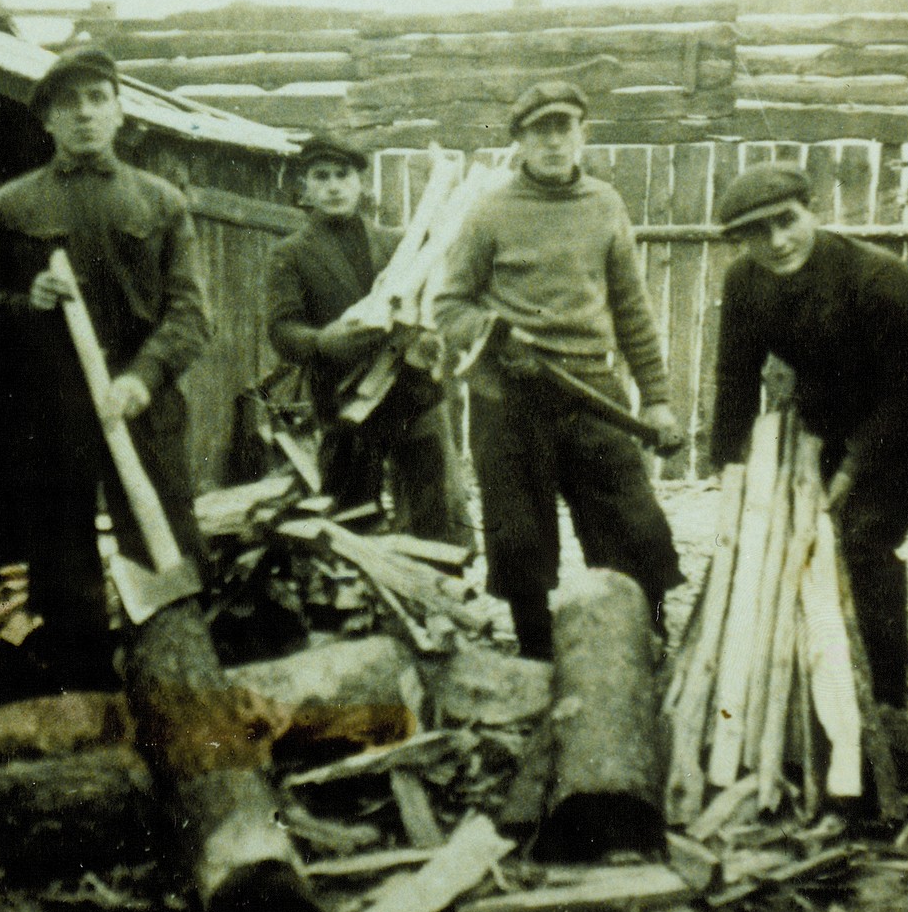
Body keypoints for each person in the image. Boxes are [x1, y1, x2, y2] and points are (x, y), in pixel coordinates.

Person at [0, 46, 210, 686]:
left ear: (121, 111)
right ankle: (88, 694)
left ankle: (170, 686)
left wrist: (142, 377)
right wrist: (25, 304)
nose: (85, 115)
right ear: (46, 122)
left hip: (141, 405)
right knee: (61, 559)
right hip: (52, 409)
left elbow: (190, 314)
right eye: (68, 105)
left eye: (98, 99)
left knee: (163, 544)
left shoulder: (161, 203)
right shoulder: (12, 207)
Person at [434, 81, 685, 659]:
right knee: (519, 532)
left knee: (632, 521)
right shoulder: (491, 210)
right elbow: (450, 304)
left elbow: (632, 309)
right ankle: (536, 649)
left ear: (582, 135)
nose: (552, 143)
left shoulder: (604, 204)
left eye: (563, 128)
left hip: (590, 386)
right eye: (538, 131)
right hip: (509, 391)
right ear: (519, 141)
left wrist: (657, 398)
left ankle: (642, 636)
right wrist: (494, 335)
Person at [711, 163, 908, 707]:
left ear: (813, 212)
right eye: (757, 232)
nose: (777, 242)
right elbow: (734, 380)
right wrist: (730, 472)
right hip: (831, 405)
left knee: (864, 540)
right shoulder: (744, 283)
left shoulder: (876, 277)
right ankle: (813, 679)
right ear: (740, 241)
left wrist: (852, 470)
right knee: (802, 533)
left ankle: (885, 701)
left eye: (787, 221)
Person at [265, 133, 467, 545]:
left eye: (343, 175)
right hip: (345, 405)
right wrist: (323, 341)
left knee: (434, 523)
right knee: (351, 525)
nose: (334, 186)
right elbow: (282, 330)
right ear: (306, 186)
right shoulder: (290, 254)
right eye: (321, 177)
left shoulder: (400, 245)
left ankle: (438, 597)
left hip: (412, 398)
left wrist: (432, 340)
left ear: (361, 183)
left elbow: (440, 304)